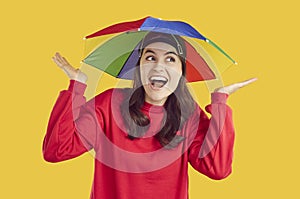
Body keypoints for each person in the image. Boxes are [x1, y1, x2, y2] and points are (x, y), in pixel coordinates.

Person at [43, 32, 256, 199]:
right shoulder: (110, 103)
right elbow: (56, 151)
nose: (158, 66)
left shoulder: (189, 114)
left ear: (181, 73)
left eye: (170, 59)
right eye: (150, 57)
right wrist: (76, 87)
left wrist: (220, 102)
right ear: (139, 68)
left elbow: (217, 169)